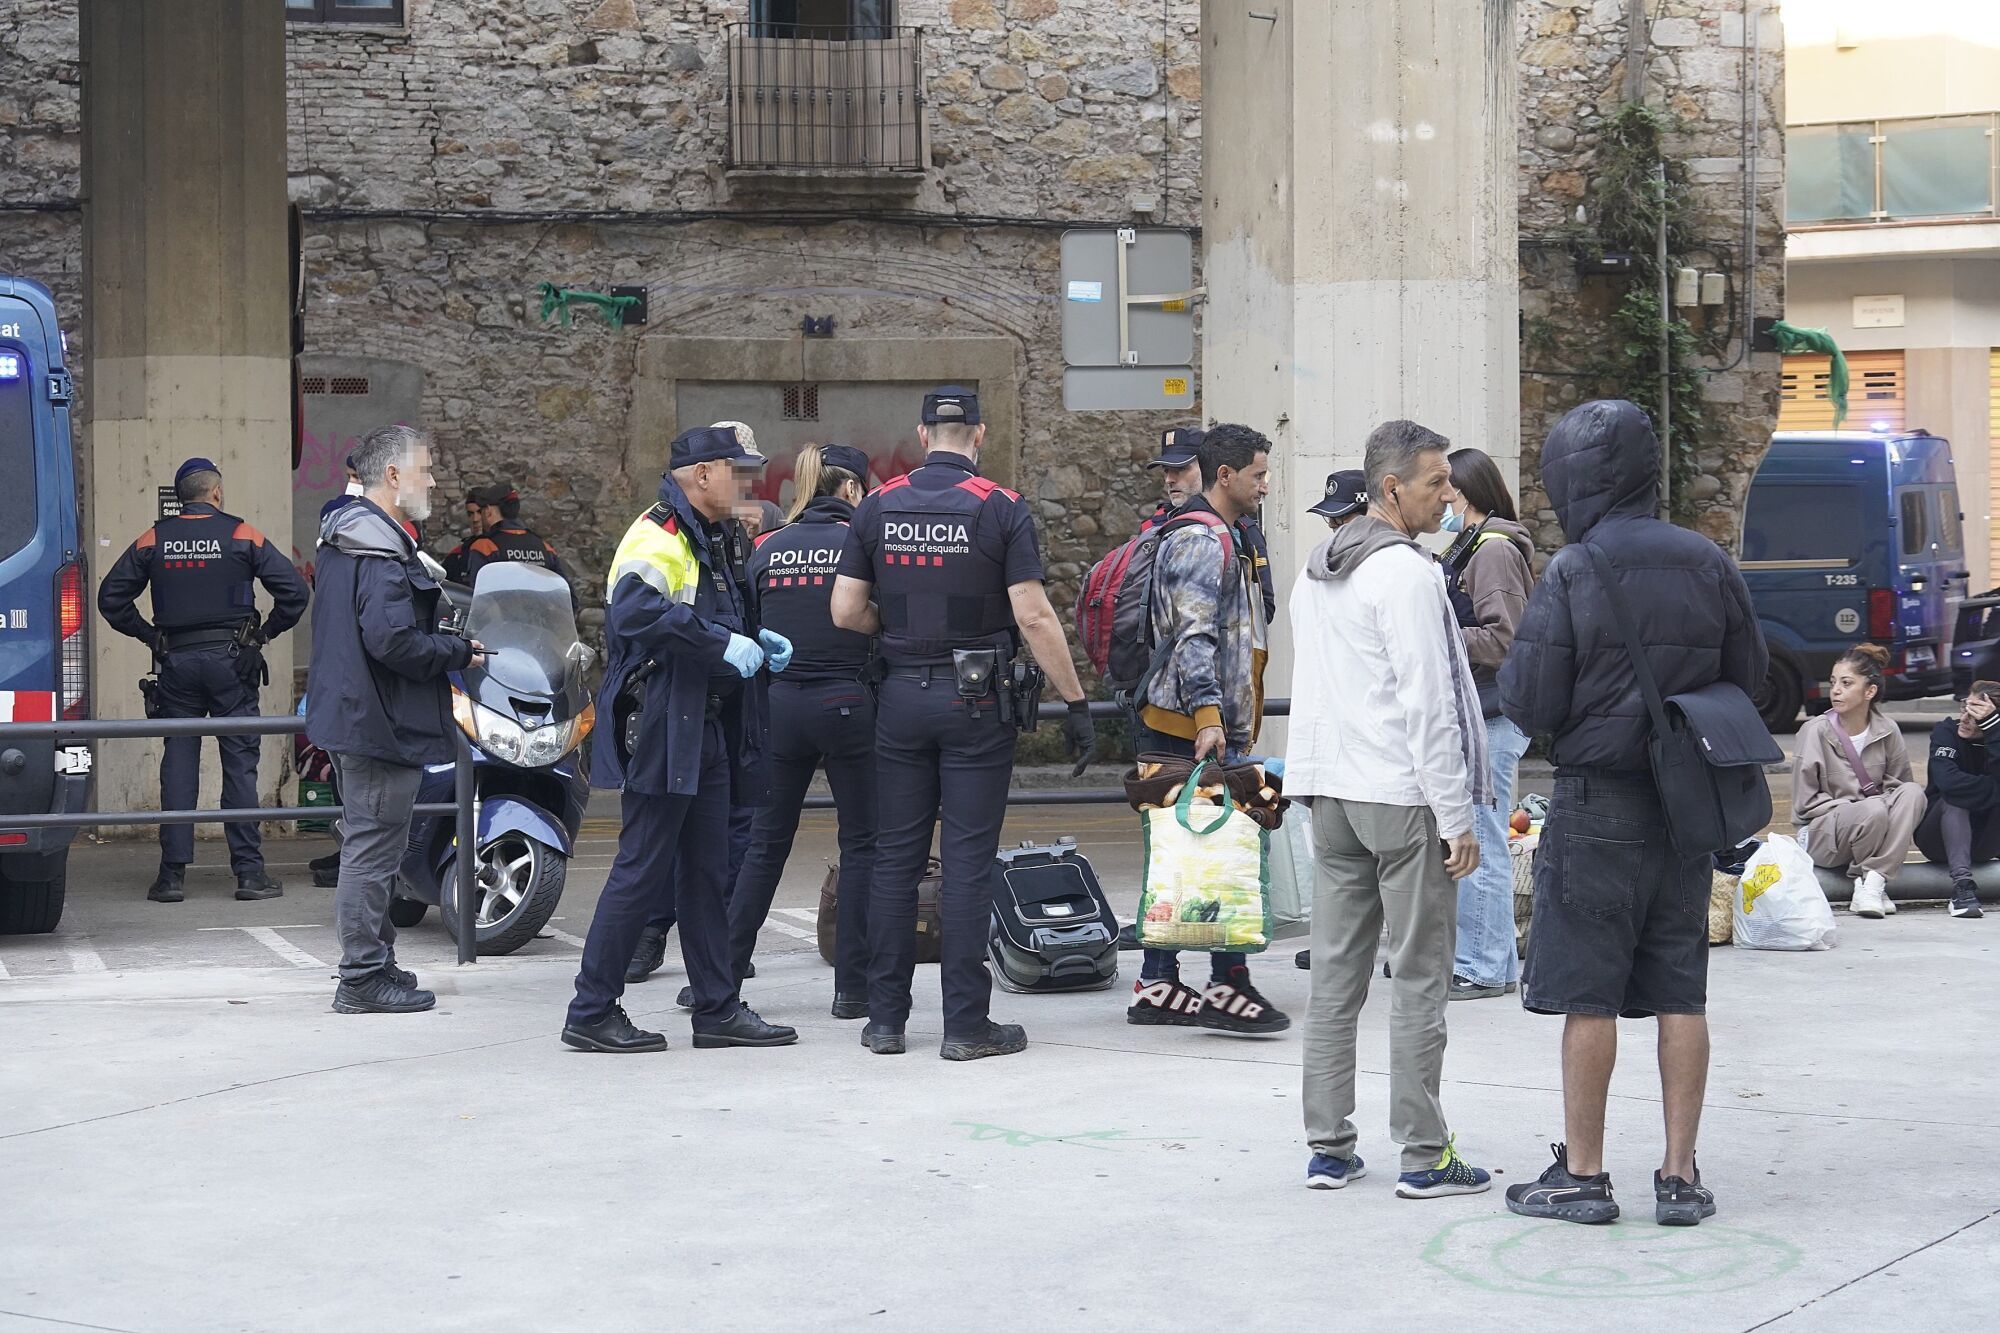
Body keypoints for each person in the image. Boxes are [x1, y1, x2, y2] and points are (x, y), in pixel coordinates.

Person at [1499, 398, 1767, 1227]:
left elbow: (1530, 695)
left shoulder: (1577, 566)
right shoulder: (1707, 560)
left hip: (1596, 801)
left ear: (1575, 477)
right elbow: (1750, 679)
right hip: (1686, 803)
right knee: (1682, 989)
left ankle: (1583, 1176)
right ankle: (1679, 1177)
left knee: (1591, 994)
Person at [831, 385, 1095, 1061]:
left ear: (923, 435)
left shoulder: (879, 505)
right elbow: (1033, 615)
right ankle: (965, 1026)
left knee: (895, 858)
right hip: (976, 702)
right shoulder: (999, 508)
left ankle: (886, 1019)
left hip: (899, 698)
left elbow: (845, 610)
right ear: (978, 435)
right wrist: (1074, 700)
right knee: (968, 864)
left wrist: (896, 637)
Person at [1288, 419, 1494, 1199]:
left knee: (1336, 977)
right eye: (1437, 482)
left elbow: (1314, 688)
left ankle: (1329, 1147)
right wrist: (1456, 815)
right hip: (1400, 795)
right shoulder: (1406, 574)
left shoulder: (1319, 570)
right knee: (1418, 977)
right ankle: (1423, 1153)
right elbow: (1429, 701)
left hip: (1333, 792)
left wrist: (1308, 781)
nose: (1450, 495)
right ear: (1391, 489)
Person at [561, 424, 797, 1054]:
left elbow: (717, 611)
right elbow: (633, 613)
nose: (750, 483)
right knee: (641, 870)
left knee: (705, 871)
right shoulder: (658, 532)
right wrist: (724, 644)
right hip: (666, 722)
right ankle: (591, 1011)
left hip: (705, 724)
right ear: (701, 475)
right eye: (738, 471)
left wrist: (754, 639)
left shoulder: (715, 534)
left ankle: (716, 1009)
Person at [307, 425, 481, 1014]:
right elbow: (392, 641)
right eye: (426, 470)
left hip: (357, 713)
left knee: (372, 843)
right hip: (376, 722)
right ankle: (360, 978)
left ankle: (377, 962)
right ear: (392, 476)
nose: (433, 481)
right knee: (373, 850)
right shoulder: (377, 550)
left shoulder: (349, 536)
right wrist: (457, 652)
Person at [1124, 424, 1288, 1036]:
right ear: (1226, 476)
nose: (1265, 485)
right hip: (1187, 727)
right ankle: (1214, 983)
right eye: (1259, 475)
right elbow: (1193, 636)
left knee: (1205, 854)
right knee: (1208, 854)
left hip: (1199, 724)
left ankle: (1173, 982)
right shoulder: (1199, 539)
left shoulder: (1227, 535)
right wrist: (1210, 719)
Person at [98, 457, 309, 904]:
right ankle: (249, 876)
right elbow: (295, 593)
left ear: (182, 498)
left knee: (178, 762)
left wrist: (151, 637)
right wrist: (261, 637)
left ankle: (171, 877)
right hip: (233, 663)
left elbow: (111, 599)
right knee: (239, 765)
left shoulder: (153, 538)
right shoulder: (241, 534)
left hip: (176, 663)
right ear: (215, 492)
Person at [720, 443, 880, 1017]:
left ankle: (725, 979)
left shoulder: (767, 547)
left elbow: (745, 624)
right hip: (848, 704)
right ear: (853, 491)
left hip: (779, 708)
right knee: (861, 845)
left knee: (764, 846)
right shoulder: (862, 544)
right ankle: (852, 989)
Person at [1437, 447, 1537, 1000]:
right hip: (1485, 711)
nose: (1438, 500)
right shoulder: (1473, 545)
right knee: (1478, 832)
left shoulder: (1492, 550)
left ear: (1464, 492)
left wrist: (1437, 634)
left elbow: (1505, 638)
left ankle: (1480, 966)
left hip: (1491, 712)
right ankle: (1488, 963)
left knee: (1480, 835)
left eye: (1442, 488)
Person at [1790, 644, 1925, 919]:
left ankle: (1871, 882)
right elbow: (1804, 805)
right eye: (1833, 682)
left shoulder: (1887, 730)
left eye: (1846, 683)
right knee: (1873, 809)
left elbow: (1899, 791)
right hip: (1821, 835)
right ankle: (1872, 883)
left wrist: (1876, 805)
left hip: (1872, 825)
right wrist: (1854, 807)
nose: (1836, 690)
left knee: (1913, 794)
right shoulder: (1814, 731)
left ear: (1870, 691)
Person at [1916, 684, 1999, 919]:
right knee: (1955, 800)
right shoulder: (1946, 732)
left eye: (1974, 715)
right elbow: (1947, 783)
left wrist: (1994, 731)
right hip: (1936, 838)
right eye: (1964, 707)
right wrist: (1994, 789)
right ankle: (1962, 889)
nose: (1964, 718)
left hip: (1984, 843)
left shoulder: (1996, 735)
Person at [462, 482, 573, 590]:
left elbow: (477, 597)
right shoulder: (545, 548)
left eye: (481, 511)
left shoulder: (484, 547)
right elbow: (568, 595)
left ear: (488, 511)